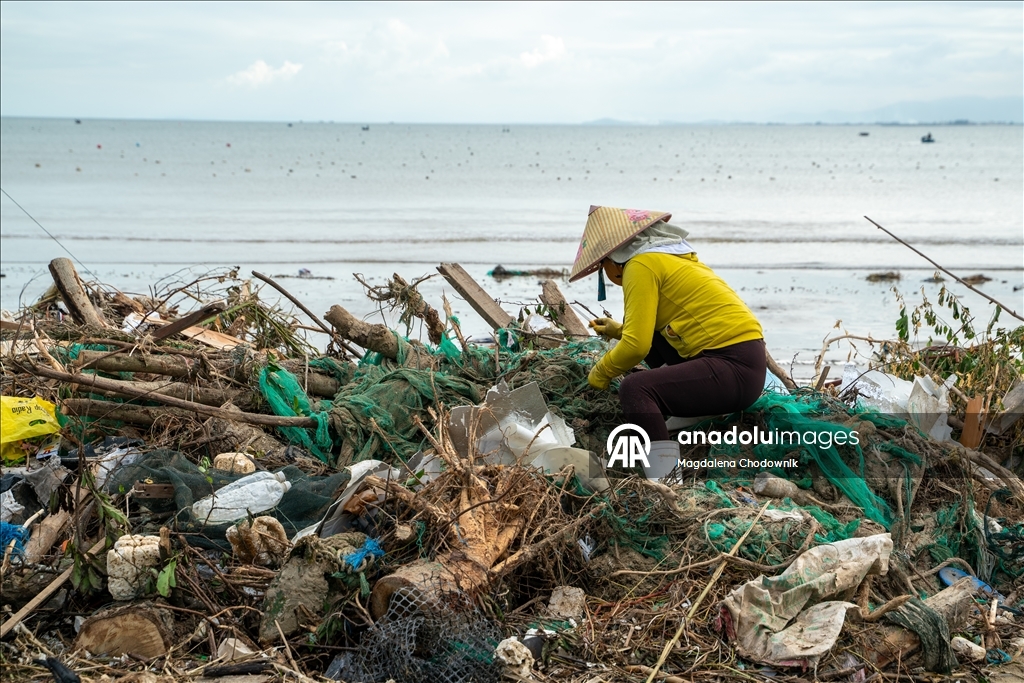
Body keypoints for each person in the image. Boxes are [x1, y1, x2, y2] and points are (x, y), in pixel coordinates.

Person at [568, 205, 767, 476]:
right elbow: (661, 324)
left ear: (615, 258)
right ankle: (688, 411)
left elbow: (635, 347)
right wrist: (618, 330)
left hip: (732, 369)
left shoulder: (640, 264)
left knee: (635, 389)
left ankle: (665, 475)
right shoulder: (669, 258)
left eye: (604, 265)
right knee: (657, 339)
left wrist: (600, 373)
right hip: (746, 365)